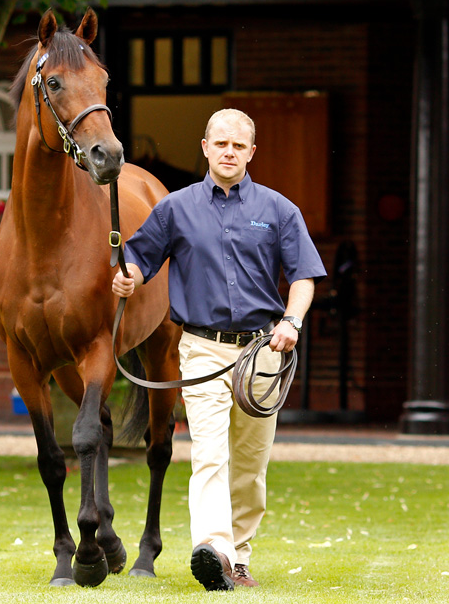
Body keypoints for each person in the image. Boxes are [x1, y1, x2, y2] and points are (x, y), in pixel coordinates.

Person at [112, 108, 326, 591]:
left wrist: (292, 320)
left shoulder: (278, 210)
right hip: (202, 349)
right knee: (210, 453)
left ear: (251, 152)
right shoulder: (175, 208)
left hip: (262, 352)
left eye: (239, 145)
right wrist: (128, 278)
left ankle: (240, 554)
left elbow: (304, 278)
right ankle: (214, 551)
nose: (229, 152)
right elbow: (140, 260)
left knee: (250, 465)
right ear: (206, 147)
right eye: (220, 144)